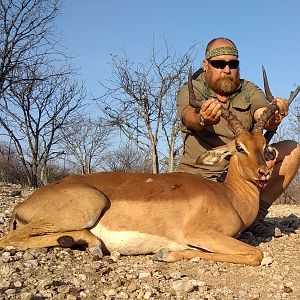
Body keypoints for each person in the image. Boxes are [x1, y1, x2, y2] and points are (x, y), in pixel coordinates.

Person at [176, 37, 300, 236]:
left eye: (232, 64)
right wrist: (202, 118)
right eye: (219, 64)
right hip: (201, 176)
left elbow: (261, 112)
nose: (227, 69)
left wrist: (273, 116)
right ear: (206, 65)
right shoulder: (192, 89)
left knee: (293, 150)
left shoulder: (248, 89)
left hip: (241, 174)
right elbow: (188, 116)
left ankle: (253, 218)